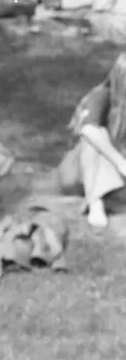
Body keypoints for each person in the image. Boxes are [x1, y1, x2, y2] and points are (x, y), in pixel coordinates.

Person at [62, 51, 126, 229]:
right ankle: (95, 201)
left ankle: (107, 196)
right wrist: (120, 162)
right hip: (82, 172)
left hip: (114, 170)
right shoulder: (102, 95)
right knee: (94, 137)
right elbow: (88, 129)